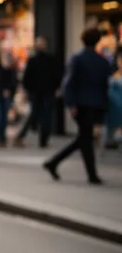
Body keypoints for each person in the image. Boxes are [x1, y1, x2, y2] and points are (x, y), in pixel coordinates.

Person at [43, 27, 113, 185]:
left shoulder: (77, 59)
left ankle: (54, 163)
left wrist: (70, 103)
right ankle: (90, 174)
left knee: (84, 139)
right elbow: (107, 82)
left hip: (81, 104)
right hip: (96, 104)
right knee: (85, 138)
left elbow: (68, 83)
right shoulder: (102, 61)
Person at [14, 36, 61, 148]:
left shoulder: (37, 60)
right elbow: (57, 75)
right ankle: (42, 140)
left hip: (41, 92)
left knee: (38, 115)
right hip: (43, 92)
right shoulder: (45, 60)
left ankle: (35, 138)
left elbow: (26, 78)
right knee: (43, 115)